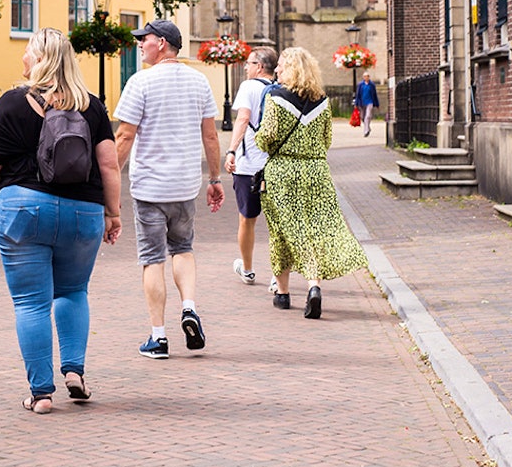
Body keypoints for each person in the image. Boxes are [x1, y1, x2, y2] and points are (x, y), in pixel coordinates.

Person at [0, 28, 123, 415]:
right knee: (73, 291)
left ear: (38, 59)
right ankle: (75, 372)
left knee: (31, 303)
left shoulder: (12, 103)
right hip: (83, 213)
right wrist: (113, 212)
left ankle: (41, 394)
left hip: (24, 210)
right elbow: (109, 165)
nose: (23, 58)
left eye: (28, 52)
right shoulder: (93, 107)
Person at [114, 19, 224, 359]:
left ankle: (158, 337)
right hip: (185, 185)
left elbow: (125, 136)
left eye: (144, 40)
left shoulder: (140, 82)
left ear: (161, 43)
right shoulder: (199, 81)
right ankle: (189, 307)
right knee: (183, 248)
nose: (140, 45)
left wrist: (109, 181)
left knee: (152, 259)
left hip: (149, 188)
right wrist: (215, 180)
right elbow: (210, 136)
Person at [255, 47, 368, 319]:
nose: (278, 69)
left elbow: (267, 135)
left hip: (283, 171)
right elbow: (327, 140)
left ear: (291, 68)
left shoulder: (275, 98)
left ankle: (282, 294)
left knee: (282, 231)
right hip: (316, 170)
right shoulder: (323, 101)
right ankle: (314, 286)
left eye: (281, 65)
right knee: (315, 230)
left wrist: (260, 140)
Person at [223, 47, 278, 287]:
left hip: (250, 166)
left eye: (248, 63)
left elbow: (243, 118)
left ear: (259, 66)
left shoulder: (248, 87)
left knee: (247, 219)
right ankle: (278, 277)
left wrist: (232, 150)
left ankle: (247, 269)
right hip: (276, 165)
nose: (245, 67)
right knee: (278, 222)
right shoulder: (282, 89)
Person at [354, 71, 380, 137]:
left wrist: (377, 104)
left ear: (369, 77)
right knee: (362, 117)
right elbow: (358, 95)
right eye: (365, 76)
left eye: (367, 76)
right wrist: (356, 104)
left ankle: (366, 131)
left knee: (368, 116)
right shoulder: (360, 85)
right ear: (363, 77)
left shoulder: (372, 85)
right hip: (362, 103)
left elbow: (374, 95)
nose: (366, 77)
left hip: (370, 102)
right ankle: (368, 127)